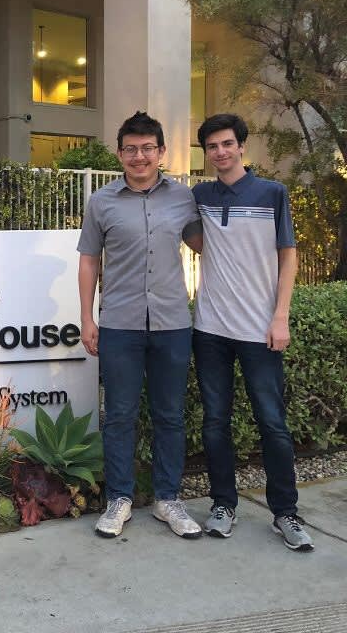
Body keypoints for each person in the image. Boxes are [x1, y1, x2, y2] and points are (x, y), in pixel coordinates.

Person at [77, 111, 203, 540]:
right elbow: (89, 259)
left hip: (171, 322)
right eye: (131, 148)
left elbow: (208, 246)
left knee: (169, 415)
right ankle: (119, 499)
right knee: (120, 416)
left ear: (162, 152)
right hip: (120, 324)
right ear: (119, 153)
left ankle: (169, 498)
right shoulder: (102, 202)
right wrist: (86, 317)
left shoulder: (183, 199)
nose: (139, 156)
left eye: (148, 148)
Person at [191, 113, 313, 551]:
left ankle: (285, 512)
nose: (220, 152)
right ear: (205, 153)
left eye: (227, 144)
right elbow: (197, 239)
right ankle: (223, 505)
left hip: (260, 330)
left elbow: (289, 257)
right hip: (209, 329)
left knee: (272, 423)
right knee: (215, 423)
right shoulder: (200, 195)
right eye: (212, 147)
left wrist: (280, 316)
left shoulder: (271, 193)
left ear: (242, 145)